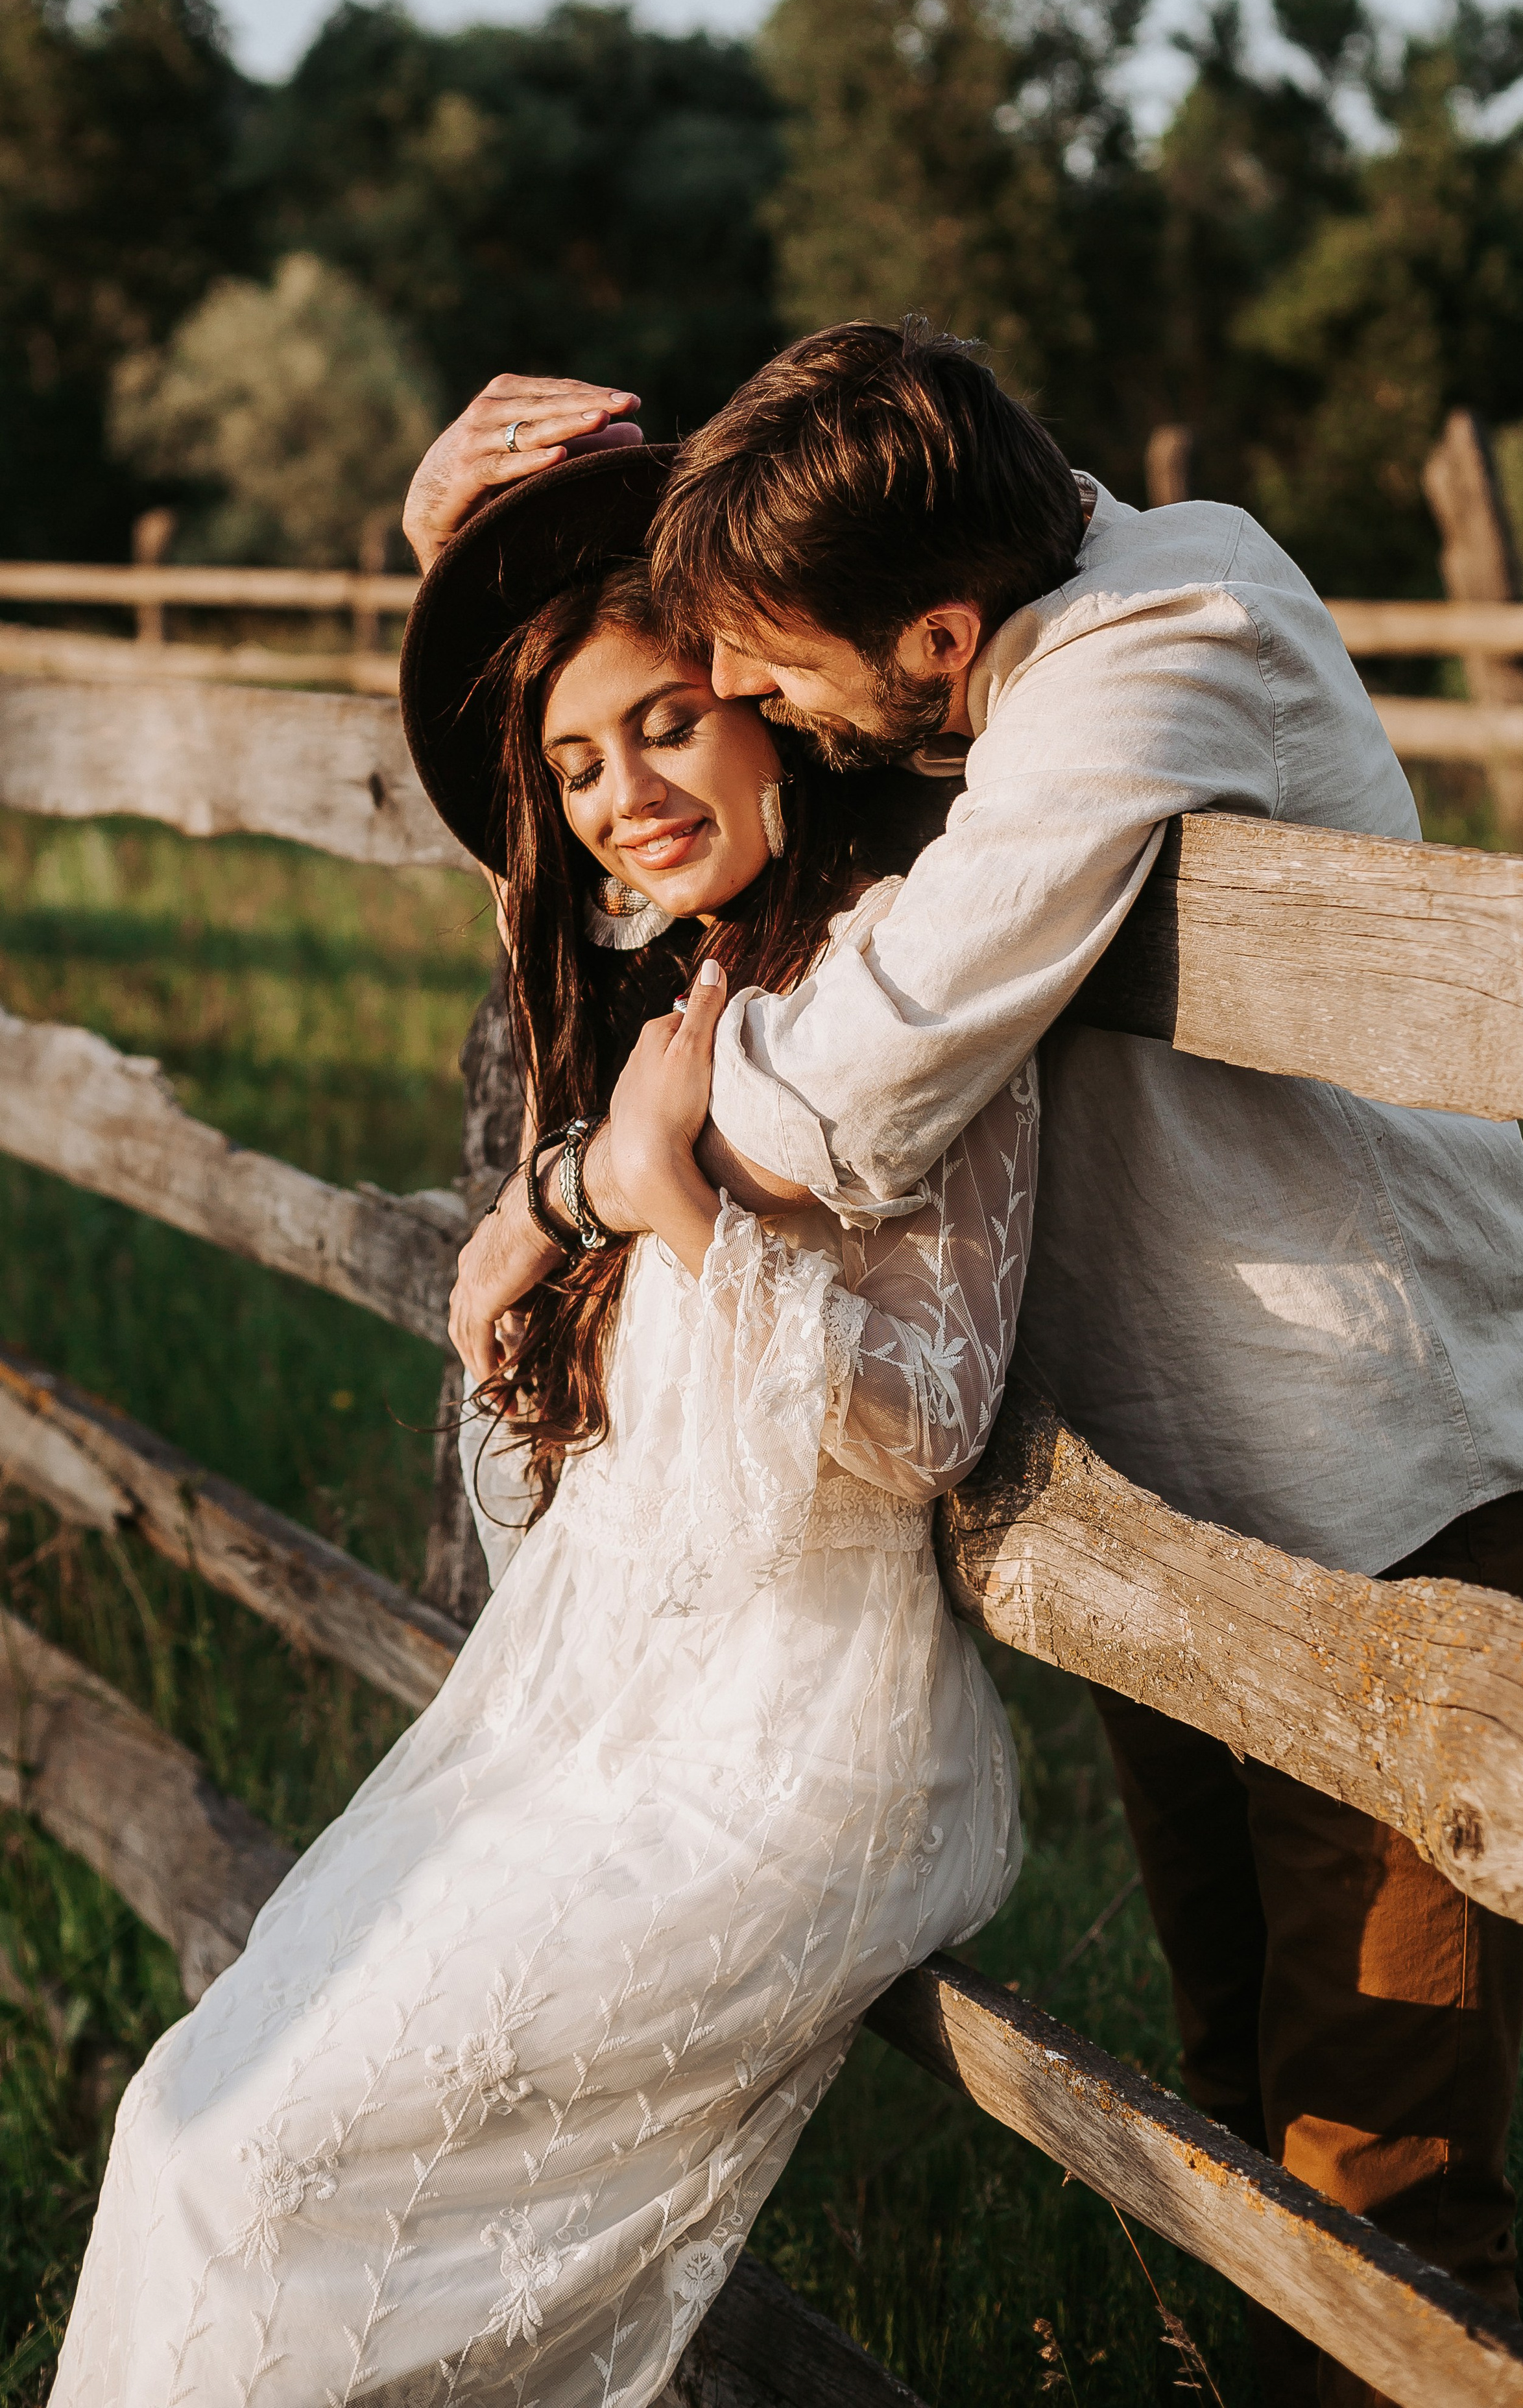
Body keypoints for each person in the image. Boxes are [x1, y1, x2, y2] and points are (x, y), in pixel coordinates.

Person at [417, 329, 1523, 2408]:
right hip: (1184, 1507)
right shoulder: (953, 658)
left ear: (936, 636)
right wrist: (471, 558)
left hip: (1390, 1491)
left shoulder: (1159, 643)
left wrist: (599, 1183)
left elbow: (853, 1077)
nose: (764, 712)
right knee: (1245, 2105)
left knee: (1391, 2171)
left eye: (781, 682)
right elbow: (646, 829)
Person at [49, 460, 1025, 2408]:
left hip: (798, 1757)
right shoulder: (665, 970)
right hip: (591, 1723)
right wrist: (573, 1197)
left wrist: (668, 1211)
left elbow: (932, 1424)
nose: (628, 794)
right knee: (185, 2126)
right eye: (583, 768)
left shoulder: (902, 983)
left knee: (256, 2185)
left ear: (775, 698)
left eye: (671, 721)